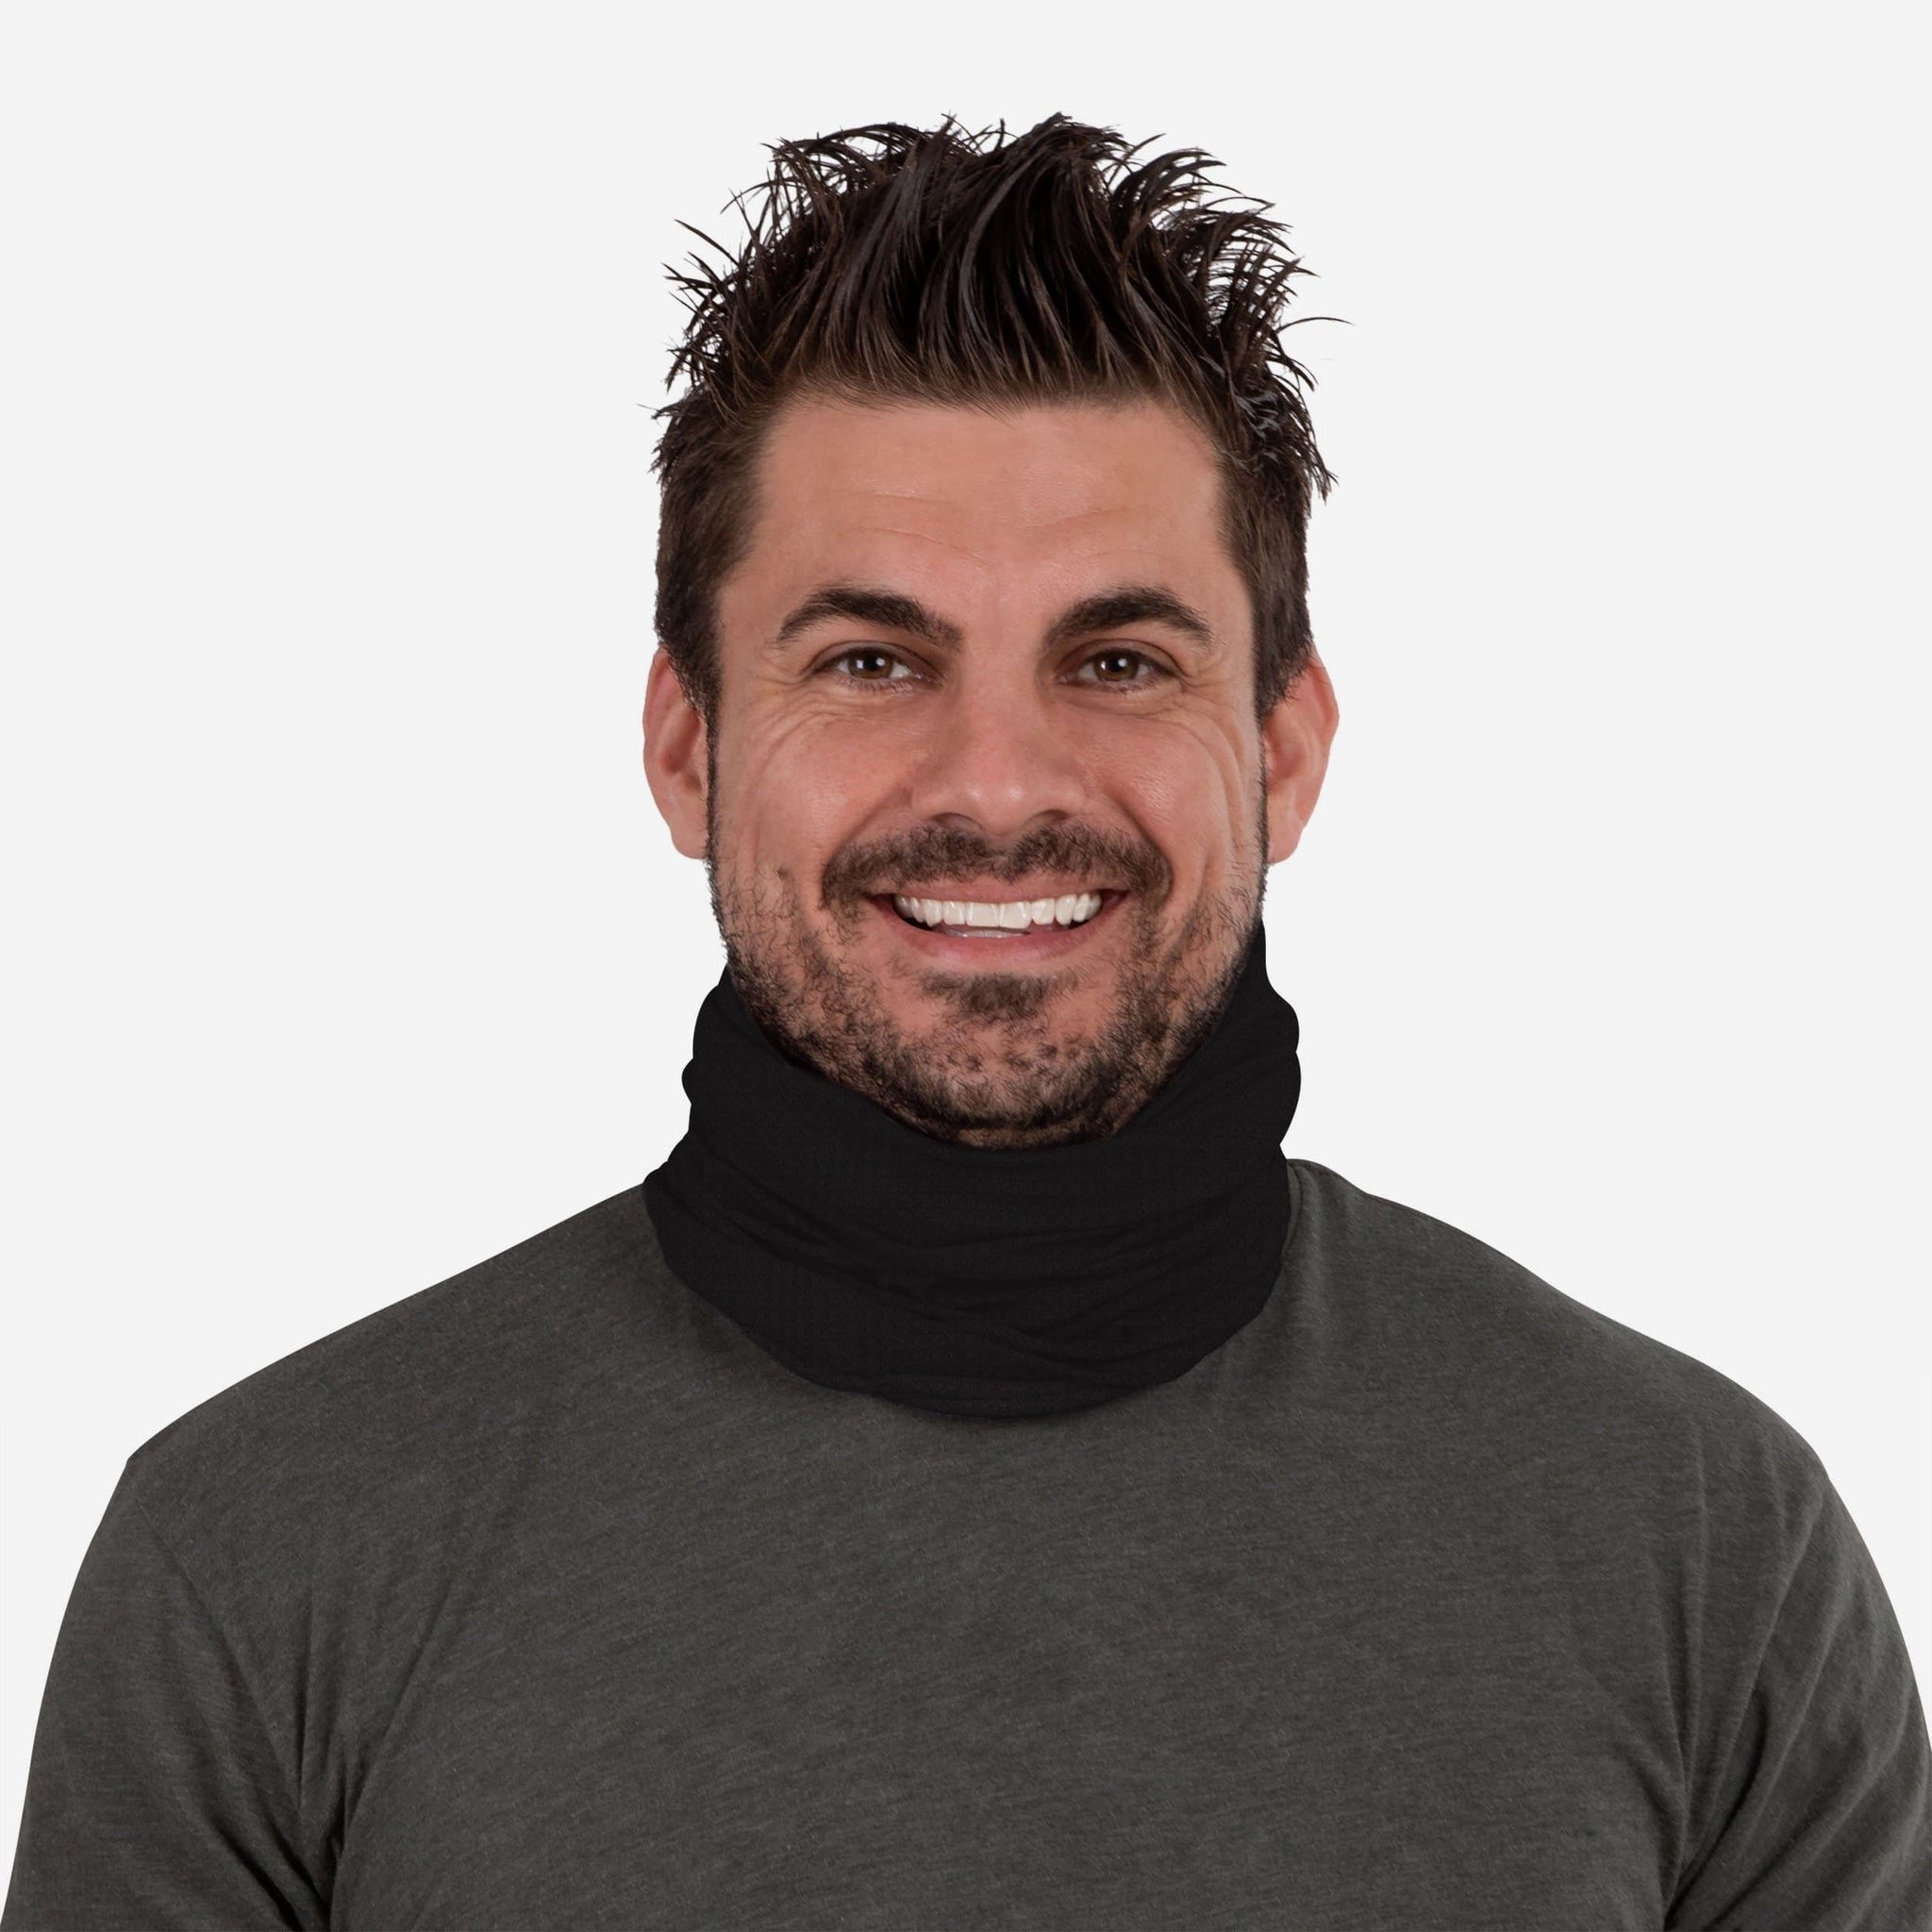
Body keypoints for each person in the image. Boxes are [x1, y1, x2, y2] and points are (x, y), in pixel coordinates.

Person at [4, 111, 1926, 1930]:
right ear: (687, 749)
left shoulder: (1702, 1549)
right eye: (870, 659)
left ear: (1283, 749)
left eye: (1118, 659)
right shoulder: (258, 1563)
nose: (998, 783)